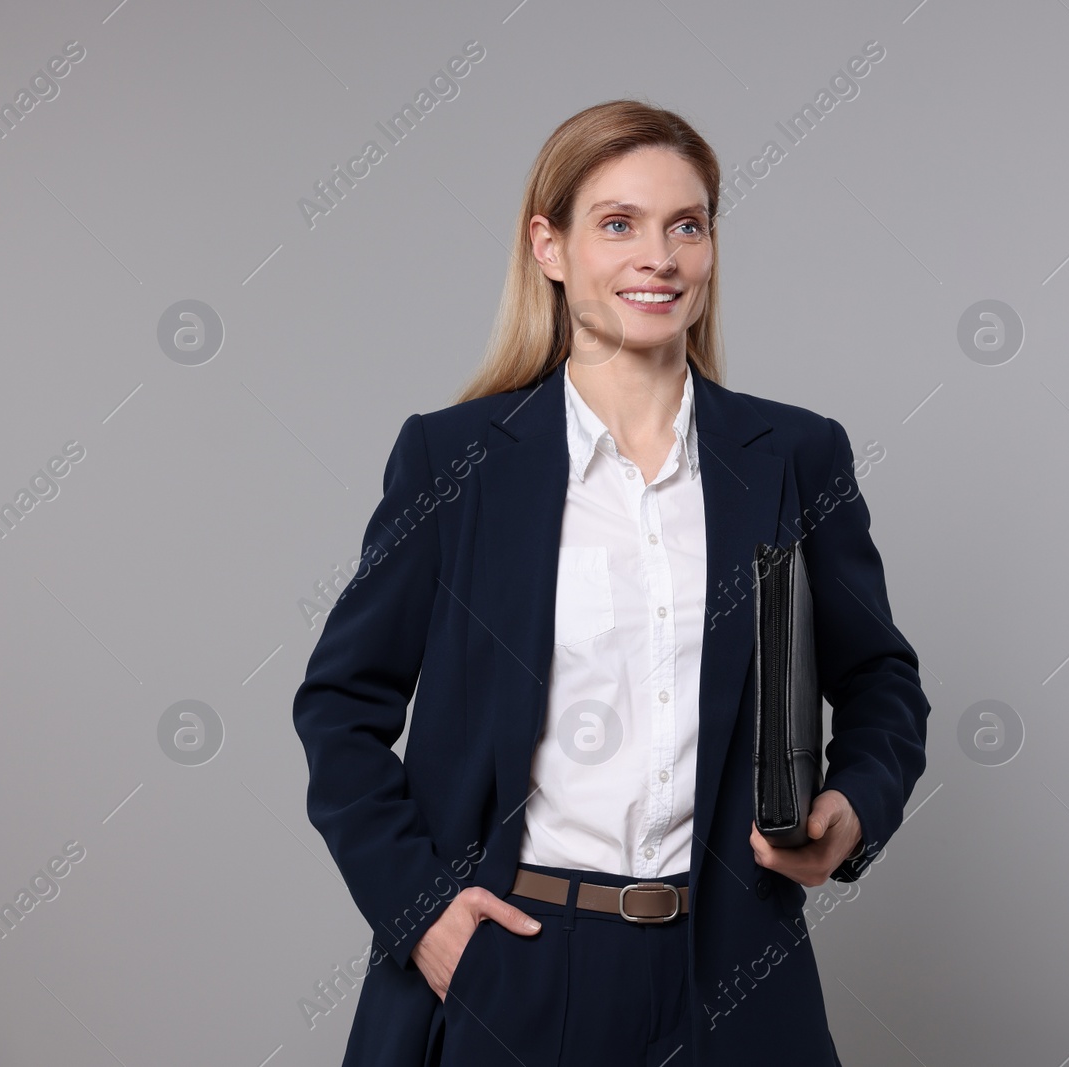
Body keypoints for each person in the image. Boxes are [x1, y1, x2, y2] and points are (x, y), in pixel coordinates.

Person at [292, 99, 930, 1067]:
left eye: (687, 224)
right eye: (618, 223)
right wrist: (422, 914)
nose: (659, 257)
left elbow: (882, 682)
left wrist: (850, 809)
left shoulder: (794, 455)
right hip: (519, 960)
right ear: (549, 247)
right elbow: (339, 706)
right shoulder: (453, 461)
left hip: (733, 966)